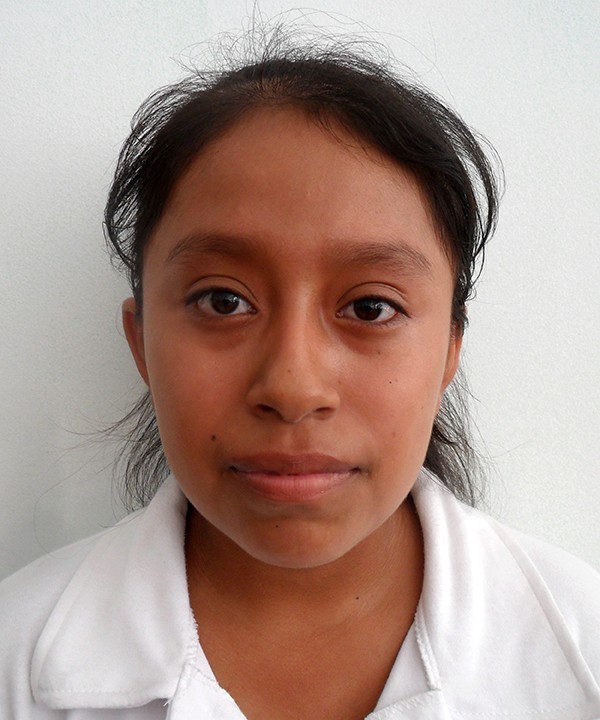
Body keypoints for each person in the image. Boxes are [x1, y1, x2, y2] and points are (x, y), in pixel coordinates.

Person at [1, 35, 599, 720]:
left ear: (448, 351)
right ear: (141, 343)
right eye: (222, 301)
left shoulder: (582, 658)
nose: (293, 388)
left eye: (370, 308)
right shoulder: (13, 660)